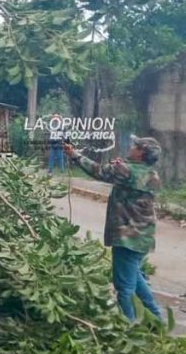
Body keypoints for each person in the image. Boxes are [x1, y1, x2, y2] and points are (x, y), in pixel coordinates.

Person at [64, 136, 164, 322]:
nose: (131, 146)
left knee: (124, 287)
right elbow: (124, 174)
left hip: (127, 236)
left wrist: (74, 155)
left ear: (141, 152)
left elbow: (99, 171)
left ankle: (128, 327)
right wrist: (120, 165)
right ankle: (157, 320)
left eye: (135, 145)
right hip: (143, 236)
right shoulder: (152, 174)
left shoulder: (126, 169)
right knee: (136, 280)